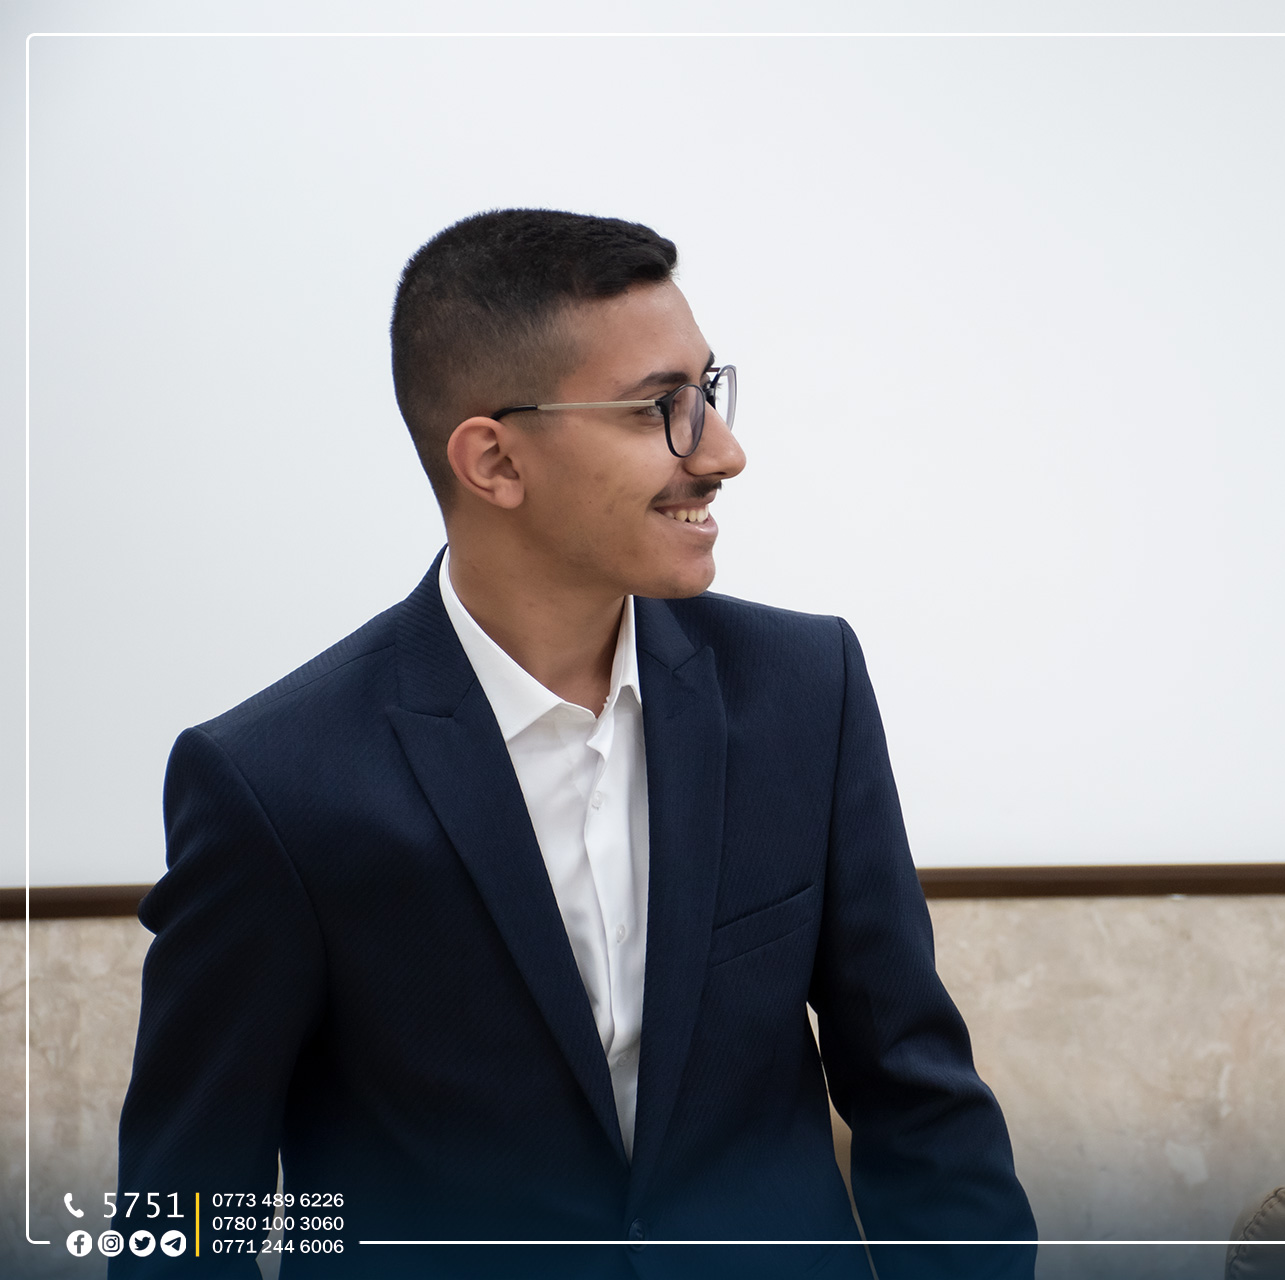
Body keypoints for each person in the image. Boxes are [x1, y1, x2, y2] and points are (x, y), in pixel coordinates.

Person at [111, 209, 1037, 1279]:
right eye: (658, 409)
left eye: (709, 391)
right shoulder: (273, 783)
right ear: (494, 460)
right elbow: (184, 1216)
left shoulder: (803, 688)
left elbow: (918, 1099)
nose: (722, 451)